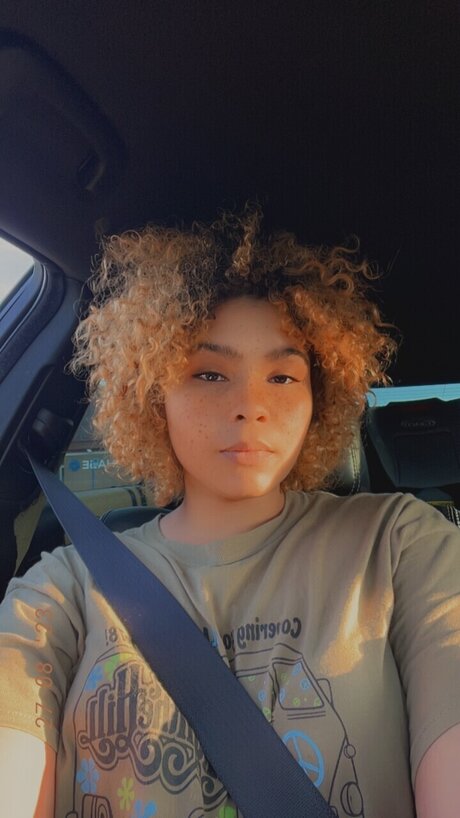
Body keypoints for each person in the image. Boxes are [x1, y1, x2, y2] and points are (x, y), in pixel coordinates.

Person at [0, 204, 459, 818]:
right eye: (210, 374)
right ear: (153, 393)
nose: (250, 405)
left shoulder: (401, 545)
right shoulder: (63, 588)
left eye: (283, 378)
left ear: (319, 398)